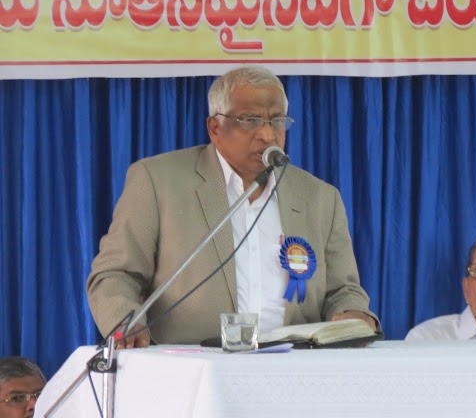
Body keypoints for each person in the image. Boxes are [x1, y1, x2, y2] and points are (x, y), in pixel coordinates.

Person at [87, 66, 378, 348]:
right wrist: (123, 318)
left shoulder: (319, 197)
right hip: (192, 368)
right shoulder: (157, 181)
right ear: (215, 128)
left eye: (277, 120)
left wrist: (353, 313)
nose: (267, 135)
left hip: (294, 368)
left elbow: (343, 290)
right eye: (250, 120)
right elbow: (115, 274)